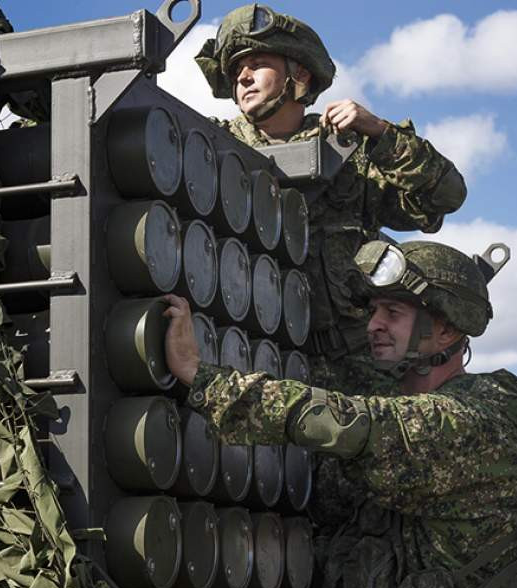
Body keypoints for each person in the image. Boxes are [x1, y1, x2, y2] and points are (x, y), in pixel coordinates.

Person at [163, 240, 517, 588]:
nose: (373, 325)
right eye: (373, 311)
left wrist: (201, 376)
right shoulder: (402, 400)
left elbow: (350, 424)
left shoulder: (471, 425)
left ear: (445, 330)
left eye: (393, 312)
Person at [196, 4, 468, 379]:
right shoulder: (209, 147)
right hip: (248, 360)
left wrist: (381, 133)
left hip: (353, 368)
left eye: (258, 64)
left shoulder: (349, 154)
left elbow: (445, 197)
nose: (243, 78)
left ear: (299, 74)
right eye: (236, 70)